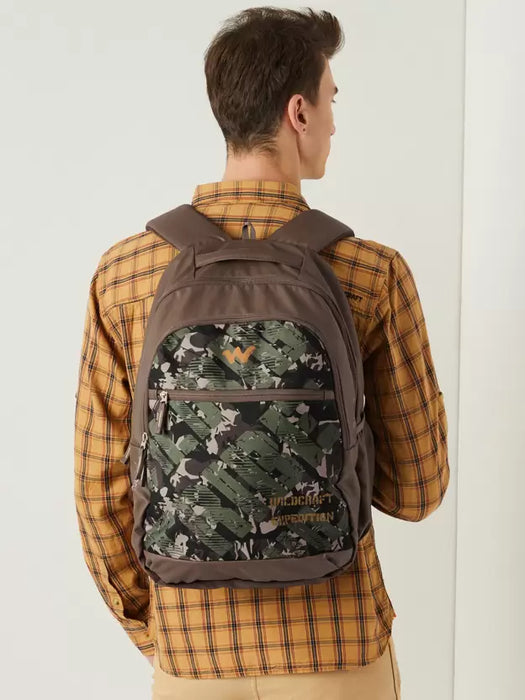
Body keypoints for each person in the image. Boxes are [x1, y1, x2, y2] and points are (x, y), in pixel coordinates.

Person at [74, 7, 449, 699]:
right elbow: (419, 490)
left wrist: (160, 634)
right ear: (298, 113)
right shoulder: (372, 272)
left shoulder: (124, 275)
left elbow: (100, 489)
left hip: (190, 656)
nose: (334, 123)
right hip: (337, 650)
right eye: (331, 100)